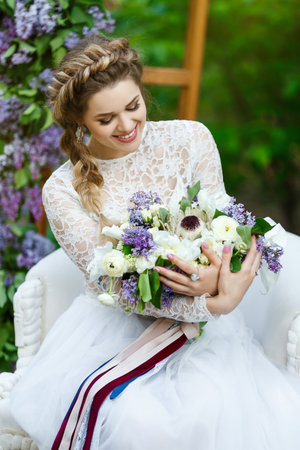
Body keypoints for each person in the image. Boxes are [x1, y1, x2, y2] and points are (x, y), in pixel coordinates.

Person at [10, 35, 300, 450]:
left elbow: (222, 226)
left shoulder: (191, 139)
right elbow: (112, 284)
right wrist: (212, 302)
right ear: (79, 123)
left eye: (133, 107)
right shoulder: (62, 191)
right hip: (115, 335)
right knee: (138, 423)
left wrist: (217, 278)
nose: (126, 126)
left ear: (143, 93)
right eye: (106, 119)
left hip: (205, 334)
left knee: (210, 413)